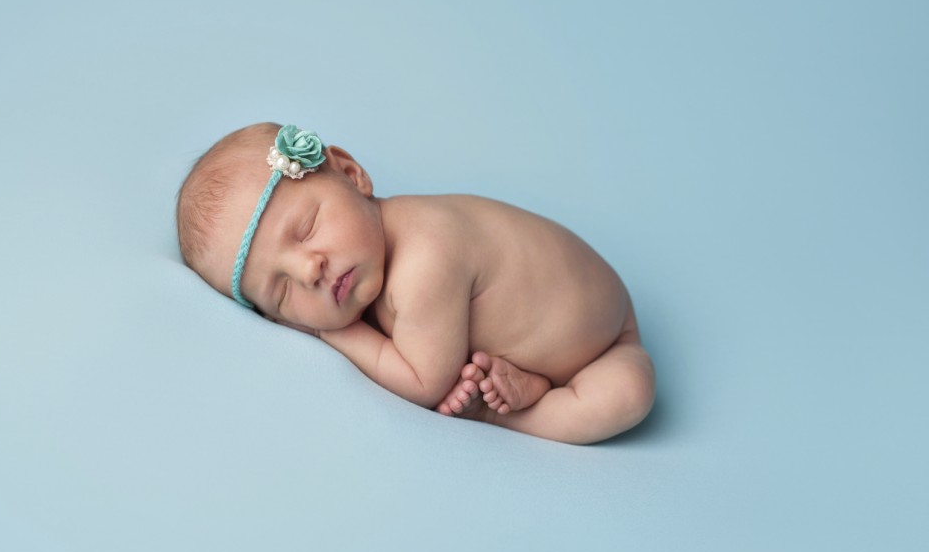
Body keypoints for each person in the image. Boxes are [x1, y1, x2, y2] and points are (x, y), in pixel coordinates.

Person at [176, 122, 655, 444]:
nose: (308, 271)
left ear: (351, 175)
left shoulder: (424, 258)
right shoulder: (369, 264)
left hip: (609, 339)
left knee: (626, 397)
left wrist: (330, 331)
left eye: (307, 228)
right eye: (282, 292)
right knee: (623, 393)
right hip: (556, 341)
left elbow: (426, 382)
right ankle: (532, 384)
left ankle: (502, 413)